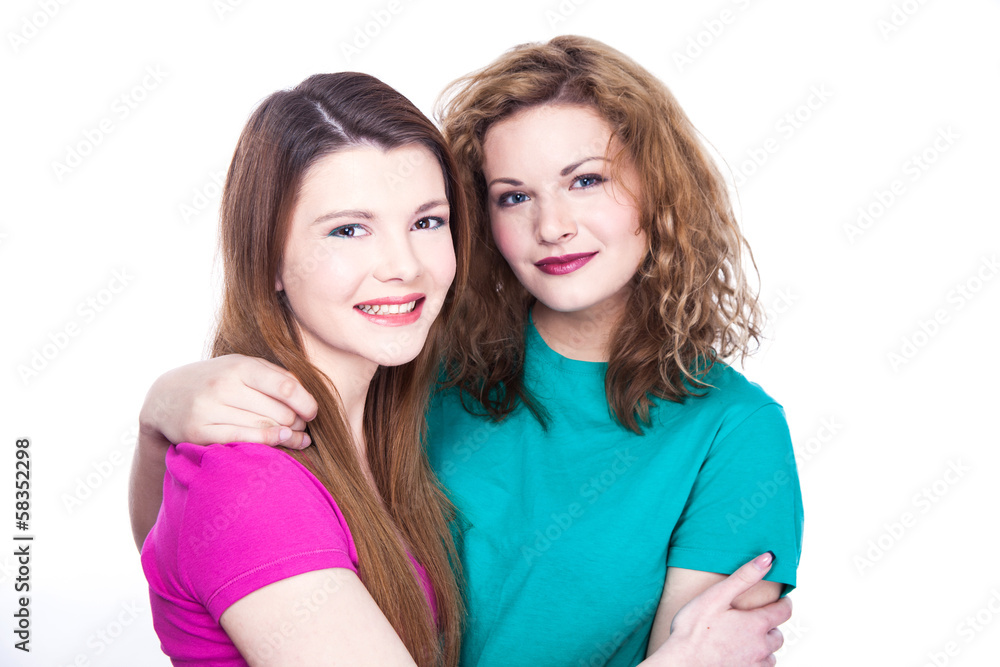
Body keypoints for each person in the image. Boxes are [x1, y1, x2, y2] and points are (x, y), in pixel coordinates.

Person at [132, 37, 801, 666]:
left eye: (587, 180)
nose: (554, 225)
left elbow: (203, 554)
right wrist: (161, 414)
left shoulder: (735, 433)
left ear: (661, 190)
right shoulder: (420, 368)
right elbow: (209, 546)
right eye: (514, 196)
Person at [137, 71, 469, 666]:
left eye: (426, 221)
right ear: (270, 260)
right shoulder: (246, 481)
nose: (404, 266)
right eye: (349, 229)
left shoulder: (390, 425)